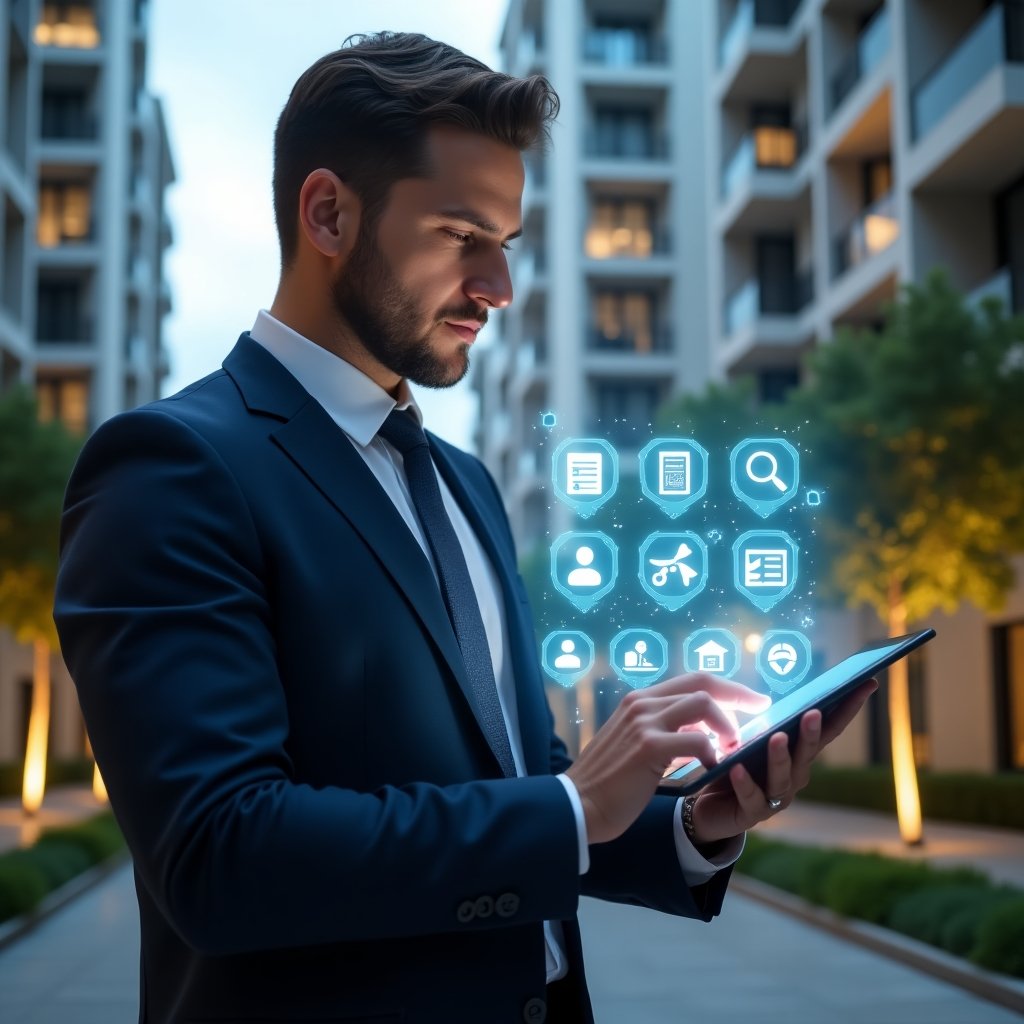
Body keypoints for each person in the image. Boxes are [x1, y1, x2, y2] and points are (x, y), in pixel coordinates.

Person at [53, 33, 874, 1024]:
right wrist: (571, 803)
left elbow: (518, 788)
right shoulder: (170, 466)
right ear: (327, 213)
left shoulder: (468, 486)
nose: (500, 287)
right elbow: (219, 855)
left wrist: (690, 826)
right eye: (459, 235)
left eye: (508, 244)